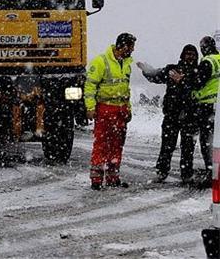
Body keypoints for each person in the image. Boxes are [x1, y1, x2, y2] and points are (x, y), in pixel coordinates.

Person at [136, 44, 199, 184]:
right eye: (187, 54)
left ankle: (187, 174)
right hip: (171, 114)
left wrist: (183, 81)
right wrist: (146, 70)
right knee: (167, 145)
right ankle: (162, 172)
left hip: (190, 116)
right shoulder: (172, 70)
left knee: (188, 147)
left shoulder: (198, 72)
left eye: (193, 54)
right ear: (182, 55)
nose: (190, 57)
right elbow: (156, 76)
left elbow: (198, 85)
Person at [85, 33, 137, 190]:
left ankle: (113, 177)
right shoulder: (101, 61)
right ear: (124, 46)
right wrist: (90, 108)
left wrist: (128, 108)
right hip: (105, 108)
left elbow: (125, 89)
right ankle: (96, 179)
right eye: (131, 47)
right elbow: (90, 86)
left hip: (120, 109)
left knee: (117, 144)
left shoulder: (126, 64)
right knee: (101, 143)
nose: (133, 50)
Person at [173, 36, 220, 186]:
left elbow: (198, 83)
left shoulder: (208, 62)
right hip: (217, 105)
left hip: (207, 106)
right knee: (214, 141)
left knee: (207, 141)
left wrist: (183, 80)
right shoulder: (218, 59)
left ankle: (211, 172)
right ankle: (213, 171)